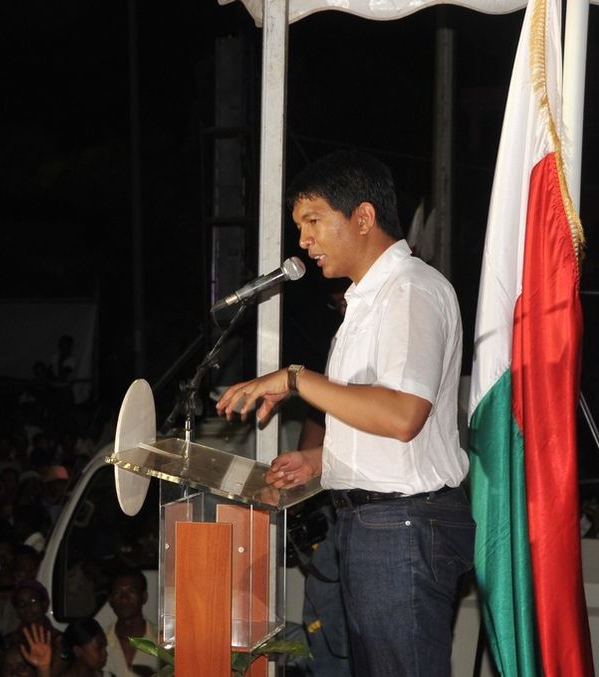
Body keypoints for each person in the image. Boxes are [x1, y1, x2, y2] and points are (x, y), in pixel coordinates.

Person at [216, 150, 475, 677]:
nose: (303, 242)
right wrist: (320, 460)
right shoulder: (367, 302)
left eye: (313, 223)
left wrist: (295, 379)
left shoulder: (410, 291)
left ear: (362, 217)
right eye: (299, 228)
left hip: (402, 526)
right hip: (373, 522)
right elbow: (382, 422)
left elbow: (403, 415)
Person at [101, 569, 158, 677]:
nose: (124, 598)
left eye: (131, 591)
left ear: (144, 597)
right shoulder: (99, 643)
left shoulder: (165, 643)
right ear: (110, 600)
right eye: (117, 592)